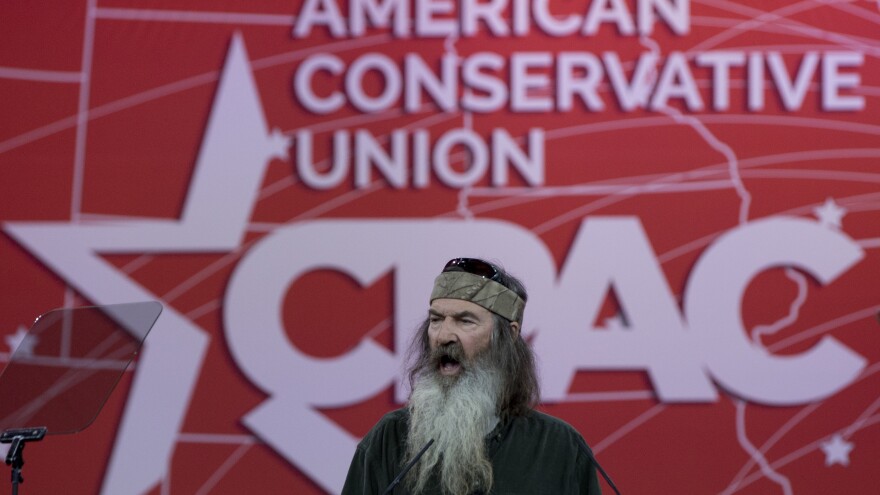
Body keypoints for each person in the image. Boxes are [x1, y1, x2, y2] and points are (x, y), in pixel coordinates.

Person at [341, 257, 604, 495]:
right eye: (436, 319)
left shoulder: (560, 447)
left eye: (465, 321)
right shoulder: (390, 439)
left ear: (508, 336)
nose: (443, 336)